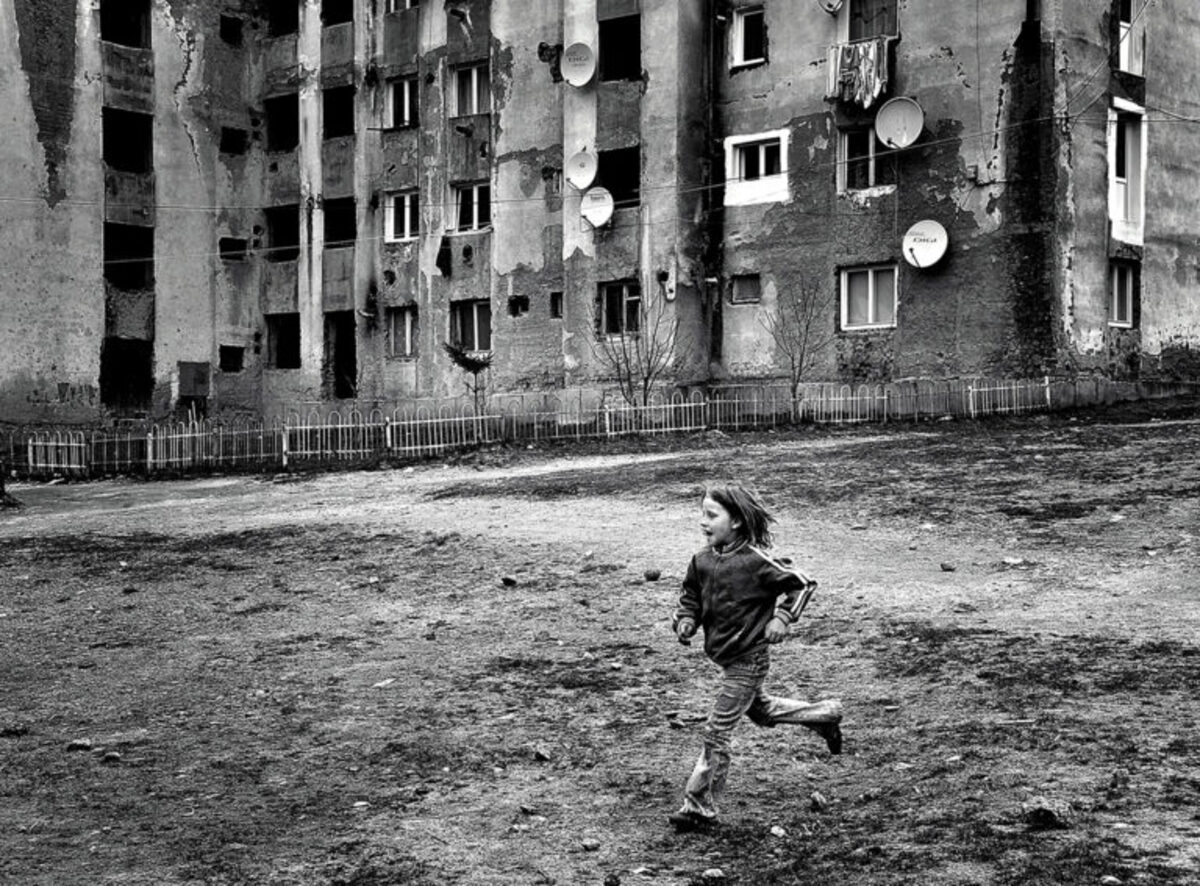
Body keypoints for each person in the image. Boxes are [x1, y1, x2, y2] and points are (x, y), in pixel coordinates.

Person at [668, 483, 843, 832]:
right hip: (728, 657)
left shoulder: (755, 561)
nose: (703, 522)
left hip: (749, 659)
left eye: (712, 515)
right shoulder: (701, 560)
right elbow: (691, 596)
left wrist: (783, 617)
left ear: (736, 521)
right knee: (761, 711)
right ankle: (824, 715)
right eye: (702, 514)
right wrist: (686, 620)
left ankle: (699, 807)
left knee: (717, 731)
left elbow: (803, 584)